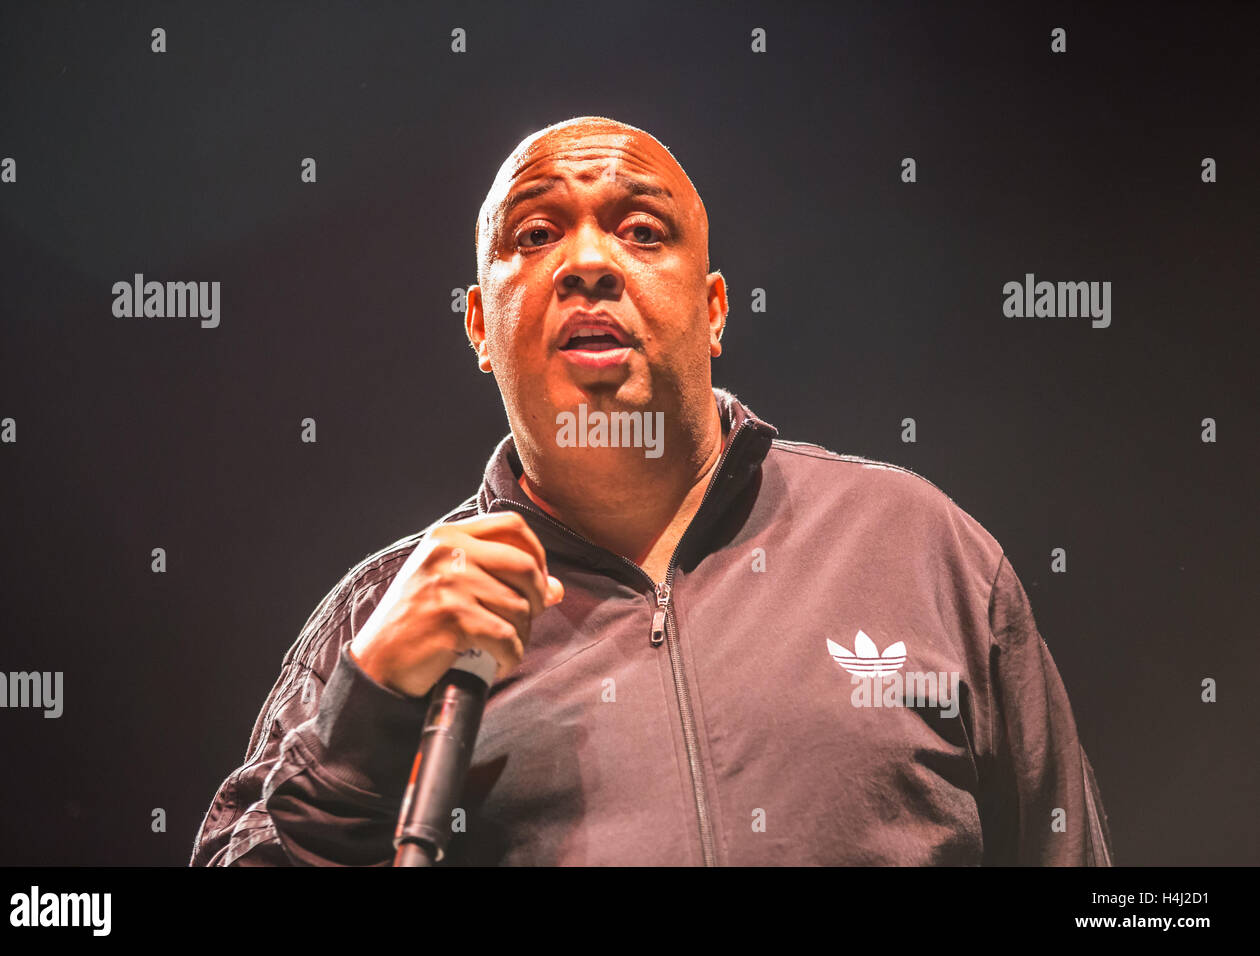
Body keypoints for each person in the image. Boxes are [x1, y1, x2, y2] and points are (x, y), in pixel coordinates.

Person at [190, 115, 1113, 866]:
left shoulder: (920, 548)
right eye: (537, 233)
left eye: (641, 231)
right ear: (479, 324)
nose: (589, 264)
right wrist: (366, 713)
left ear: (714, 311)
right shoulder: (380, 617)